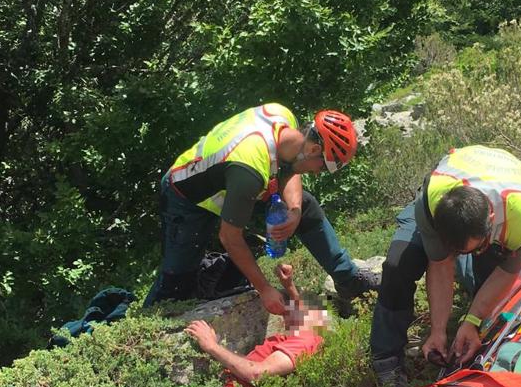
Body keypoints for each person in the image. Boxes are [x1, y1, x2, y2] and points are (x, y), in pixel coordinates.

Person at [52, 264, 327, 387]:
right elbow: (303, 311)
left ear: (315, 319)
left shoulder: (306, 341)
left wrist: (211, 346)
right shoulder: (299, 338)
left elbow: (258, 374)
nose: (288, 308)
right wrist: (289, 283)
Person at [143, 103, 379, 315]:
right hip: (186, 197)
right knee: (176, 283)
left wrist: (295, 211)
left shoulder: (282, 117)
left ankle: (349, 279)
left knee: (305, 204)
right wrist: (265, 289)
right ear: (314, 150)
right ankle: (144, 328)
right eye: (324, 167)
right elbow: (229, 237)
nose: (319, 173)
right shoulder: (249, 171)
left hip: (230, 181)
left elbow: (289, 168)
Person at [369, 146, 521, 387]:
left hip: (510, 208)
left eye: (474, 248)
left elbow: (507, 273)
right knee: (398, 265)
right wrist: (437, 330)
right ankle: (386, 359)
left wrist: (472, 320)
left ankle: (471, 327)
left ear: (492, 220)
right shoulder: (433, 198)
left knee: (485, 290)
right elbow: (440, 264)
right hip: (446, 204)